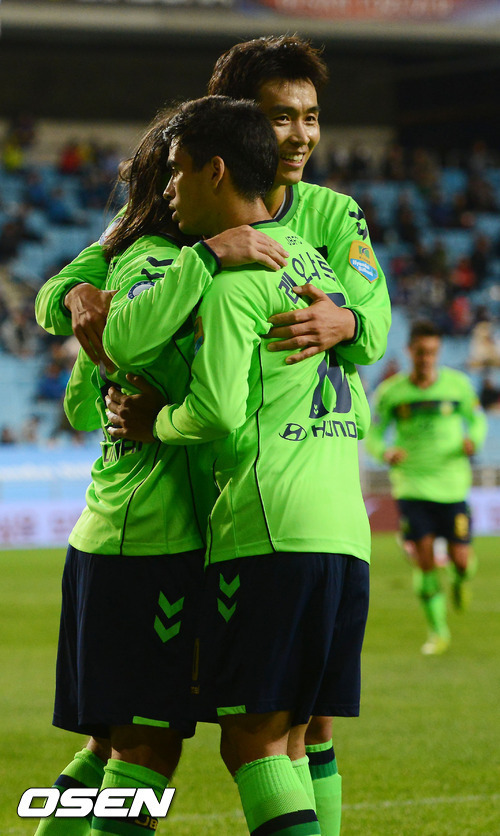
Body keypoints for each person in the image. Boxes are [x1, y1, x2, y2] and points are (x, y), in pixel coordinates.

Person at [35, 35, 391, 836]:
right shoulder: (163, 228)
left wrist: (345, 322)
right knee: (142, 743)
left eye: (309, 117)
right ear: (233, 130)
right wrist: (81, 301)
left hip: (236, 520)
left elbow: (372, 329)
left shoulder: (331, 216)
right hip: (179, 528)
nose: (296, 136)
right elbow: (71, 303)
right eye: (277, 118)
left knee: (283, 730)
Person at [104, 94, 371, 836]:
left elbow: (217, 411)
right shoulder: (313, 264)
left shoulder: (232, 282)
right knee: (294, 738)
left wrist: (156, 422)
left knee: (251, 743)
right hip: (343, 532)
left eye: (179, 171)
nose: (170, 188)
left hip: (268, 529)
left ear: (215, 171)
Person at [33, 112, 290, 836]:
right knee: (146, 747)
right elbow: (102, 345)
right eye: (172, 171)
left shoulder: (140, 260)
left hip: (124, 532)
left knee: (109, 745)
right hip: (148, 536)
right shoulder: (154, 259)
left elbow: (81, 397)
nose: (179, 185)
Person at [365, 320, 487, 655]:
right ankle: (438, 632)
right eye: (420, 352)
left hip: (452, 486)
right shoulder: (391, 392)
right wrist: (384, 452)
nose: (426, 358)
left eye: (431, 352)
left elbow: (477, 419)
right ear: (410, 351)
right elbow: (373, 432)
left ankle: (460, 581)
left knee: (461, 560)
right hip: (412, 486)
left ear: (439, 351)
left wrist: (474, 440)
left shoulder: (458, 386)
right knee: (424, 560)